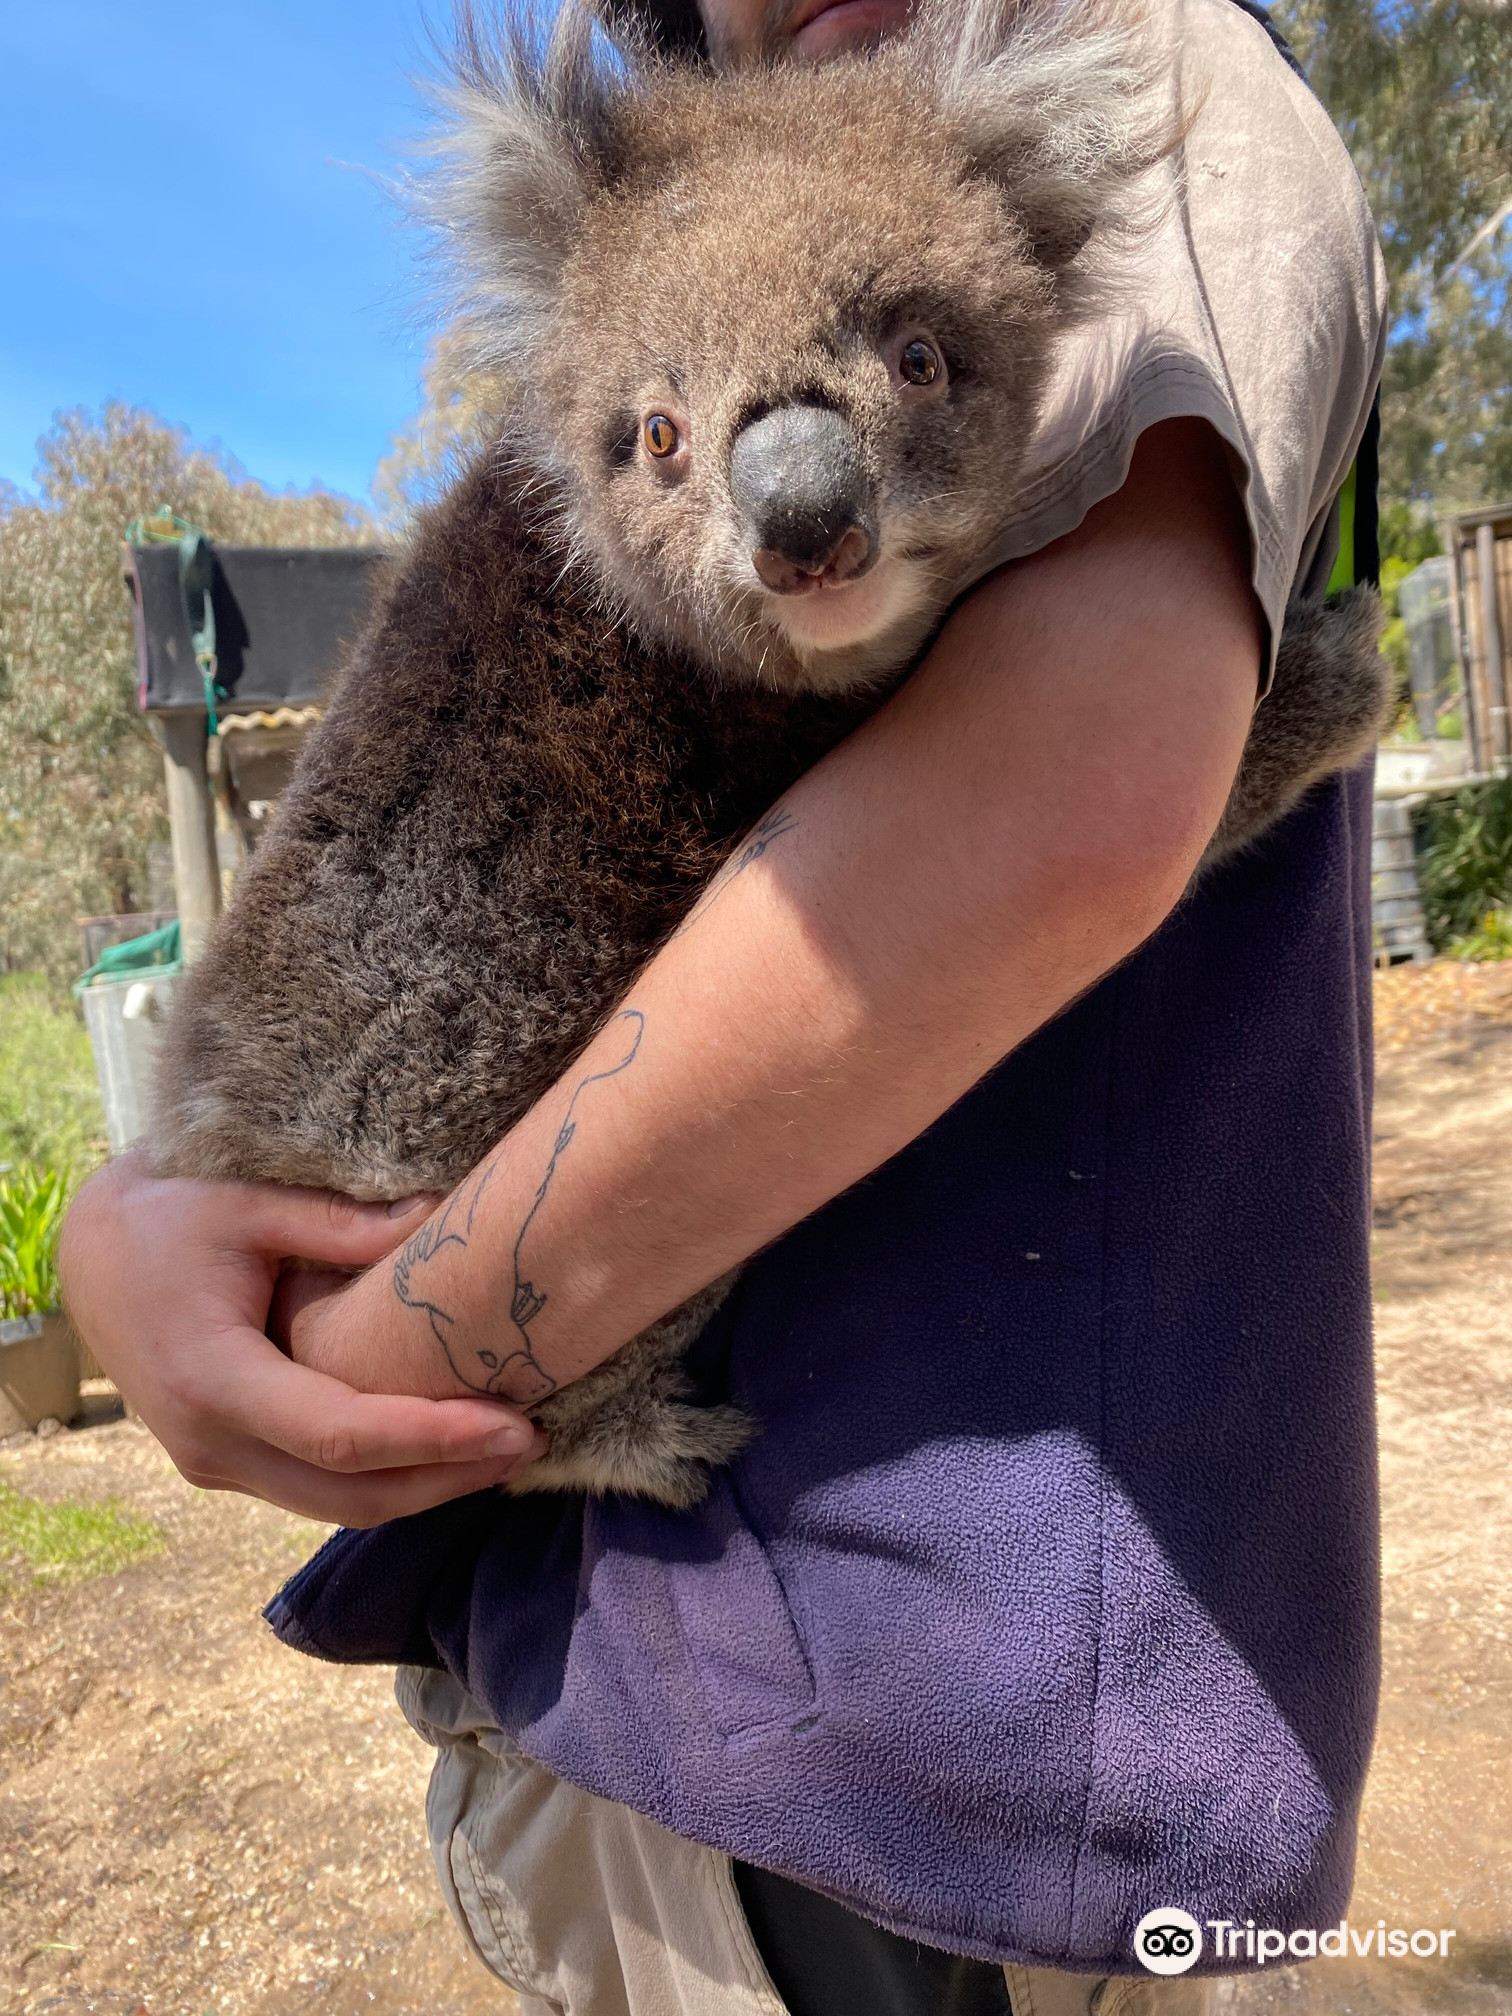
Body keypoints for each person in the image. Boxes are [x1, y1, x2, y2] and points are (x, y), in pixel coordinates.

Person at [60, 0, 1388, 2007]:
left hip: (956, 1755)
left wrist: (370, 1329)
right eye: (658, 444)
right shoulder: (644, 210)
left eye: (916, 360)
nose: (791, 490)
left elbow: (1055, 814)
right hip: (656, 1687)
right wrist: (140, 1231)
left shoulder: (1120, 55)